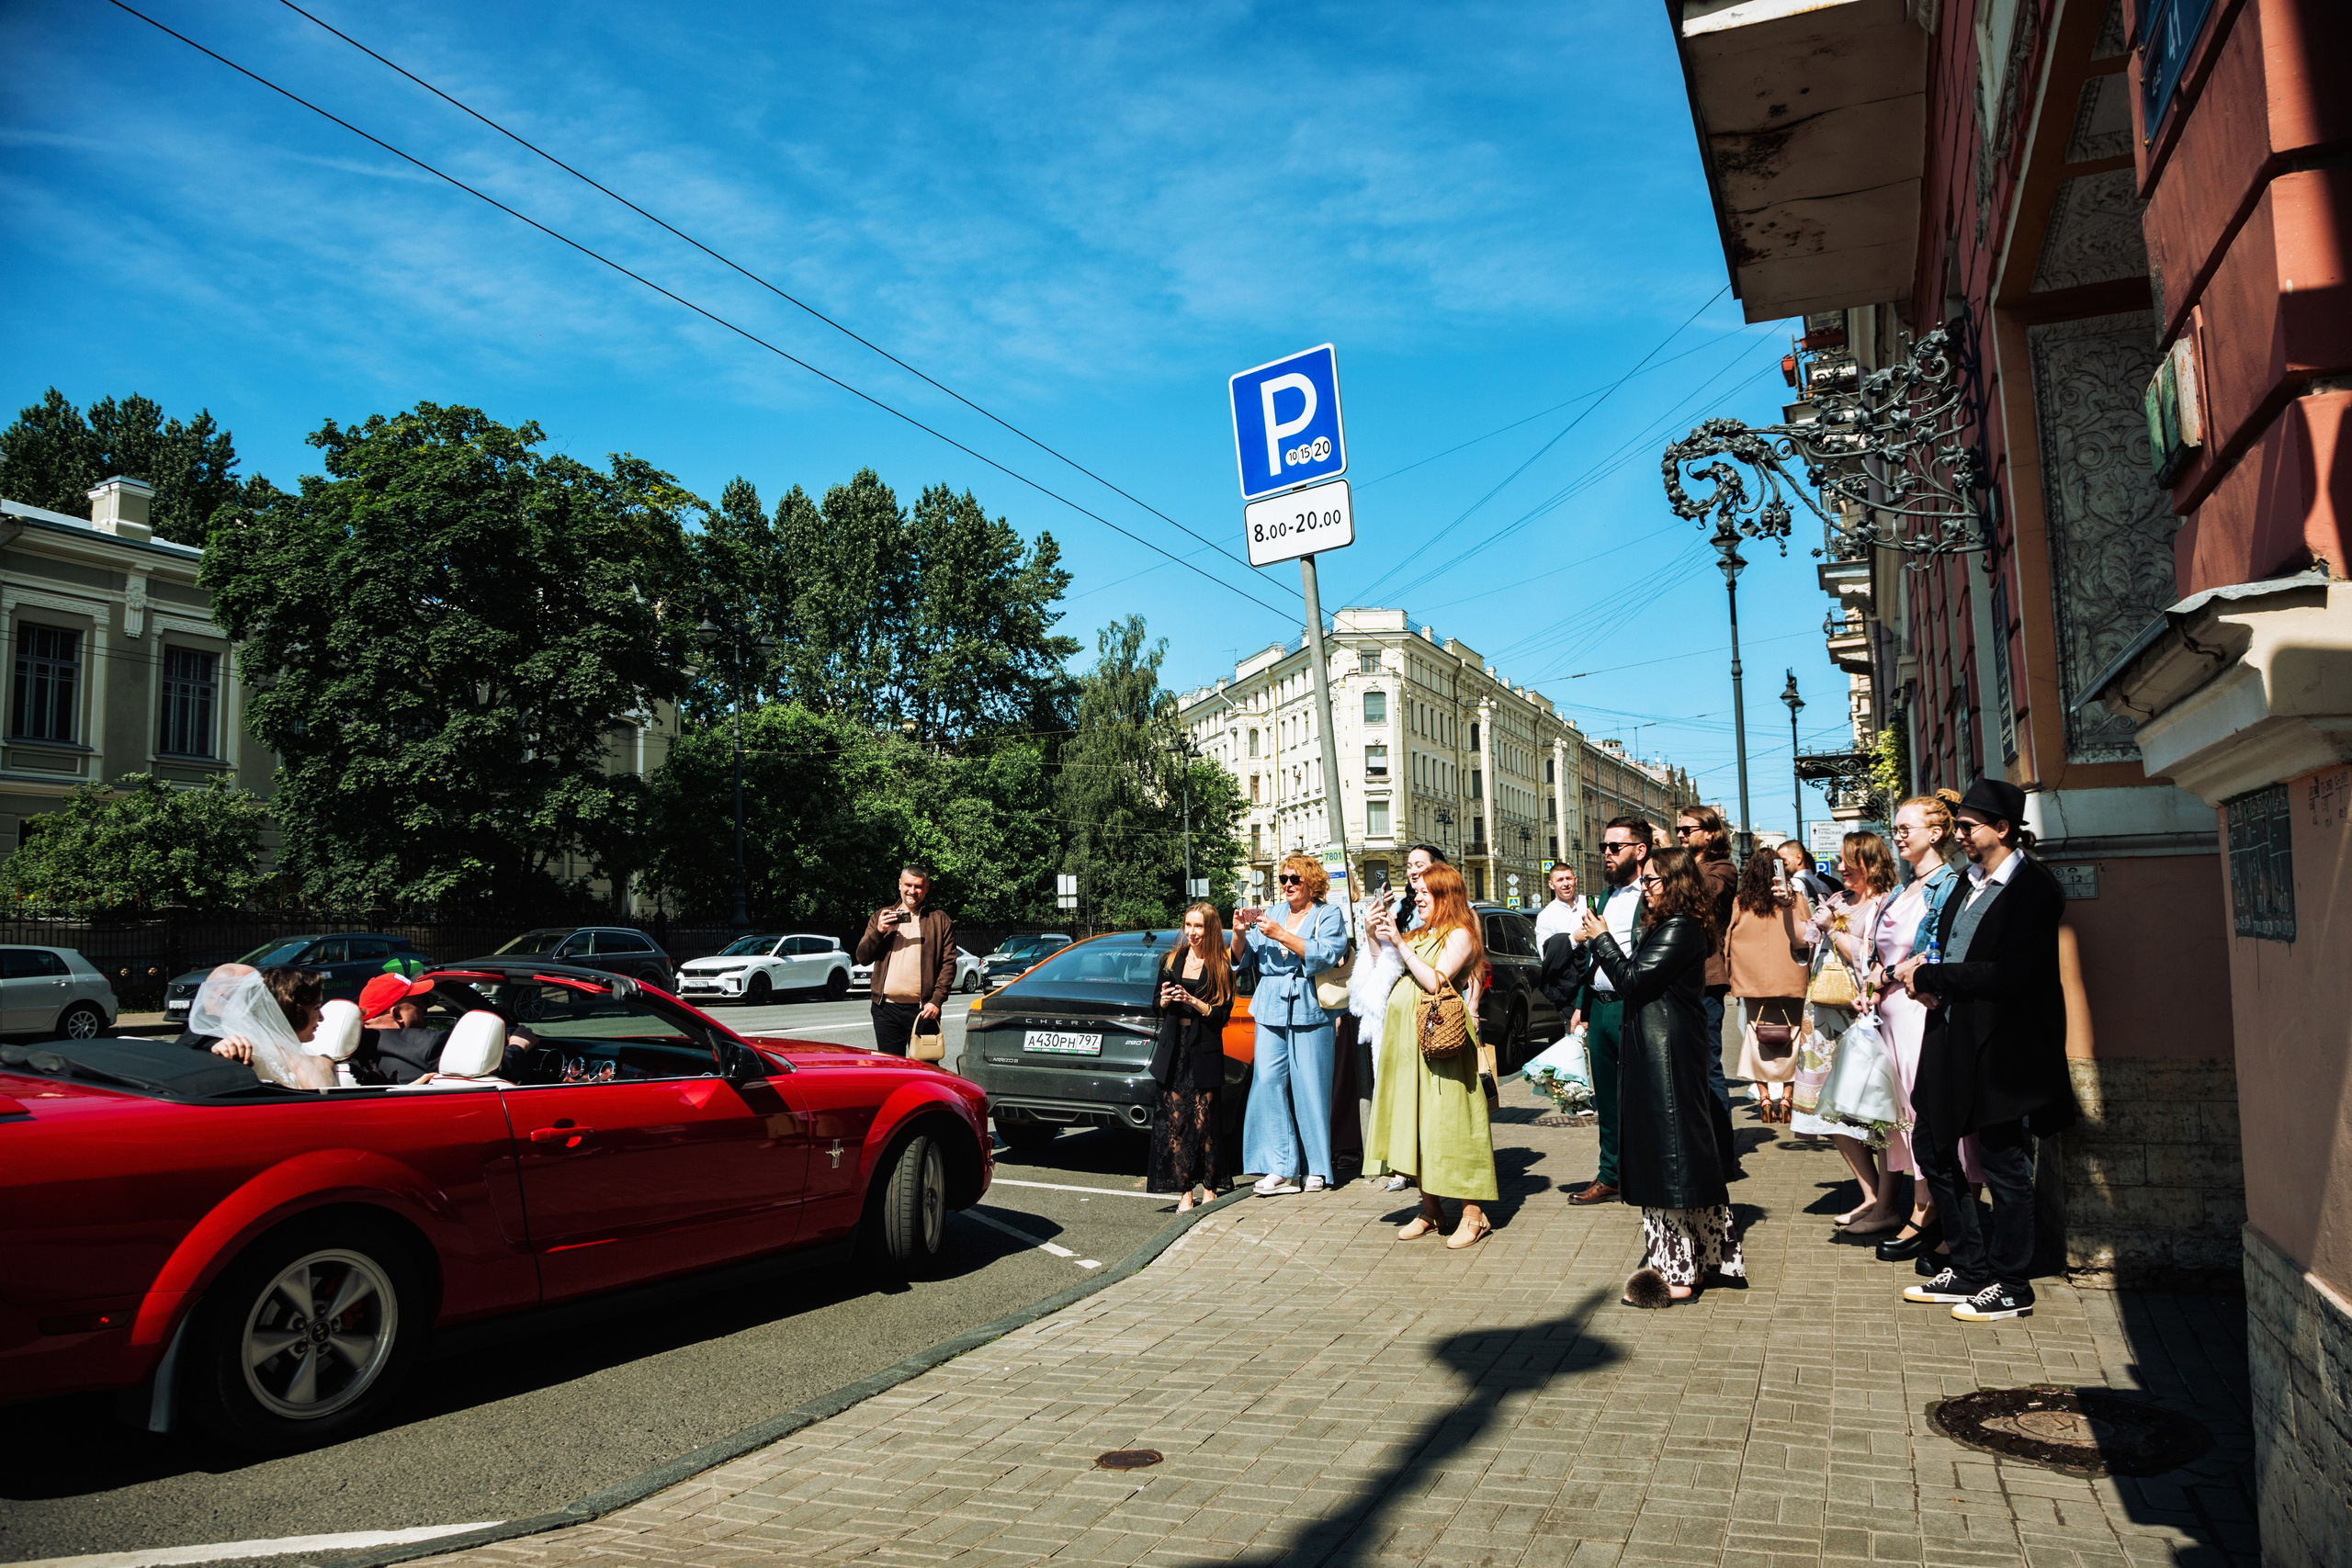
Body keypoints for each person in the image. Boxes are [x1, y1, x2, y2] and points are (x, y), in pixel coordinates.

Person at [1895, 777, 2074, 1323]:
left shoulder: (2034, 888)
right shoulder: (1966, 880)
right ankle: (1971, 1267)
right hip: (1951, 1033)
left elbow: (2013, 972)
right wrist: (1930, 981)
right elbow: (1944, 942)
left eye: (1970, 827)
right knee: (1932, 1143)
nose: (1962, 836)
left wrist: (1937, 974)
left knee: (2002, 1160)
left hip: (2004, 1043)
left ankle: (2012, 1282)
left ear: (2003, 829)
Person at [1579, 847, 1745, 1303]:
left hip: (1665, 1056)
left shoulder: (1679, 927)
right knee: (1680, 1159)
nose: (1646, 889)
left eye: (1653, 881)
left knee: (1667, 1162)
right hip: (1663, 1051)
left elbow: (1632, 979)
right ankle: (1706, 1258)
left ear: (1675, 883)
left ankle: (1677, 1274)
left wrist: (1602, 939)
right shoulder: (1674, 926)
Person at [1864, 791, 1976, 1271]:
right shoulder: (1902, 887)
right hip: (1891, 1013)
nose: (1898, 835)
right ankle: (1925, 1208)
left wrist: (1887, 975)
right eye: (1896, 828)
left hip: (1918, 1011)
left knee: (1924, 1114)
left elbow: (1940, 951)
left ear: (1936, 833)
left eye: (1906, 828)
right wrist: (1872, 975)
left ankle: (1935, 1217)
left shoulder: (1948, 885)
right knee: (1904, 1116)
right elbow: (1882, 947)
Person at [1365, 861, 1497, 1247]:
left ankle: (1473, 1214)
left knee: (1451, 1126)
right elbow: (1380, 963)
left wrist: (1401, 944)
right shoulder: (1423, 931)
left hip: (1443, 1046)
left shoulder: (1460, 934)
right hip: (1409, 1047)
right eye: (1416, 893)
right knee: (1417, 1125)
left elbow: (1436, 981)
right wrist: (1374, 931)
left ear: (1444, 896)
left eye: (1424, 893)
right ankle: (1431, 1210)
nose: (1417, 898)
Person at [1793, 831, 1902, 1229]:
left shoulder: (1886, 904)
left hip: (1863, 1015)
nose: (1839, 868)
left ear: (1871, 863)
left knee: (1878, 1111)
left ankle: (1887, 1205)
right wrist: (1796, 910)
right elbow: (1803, 945)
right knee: (1832, 1109)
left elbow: (1873, 956)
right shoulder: (1839, 899)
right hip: (1825, 1018)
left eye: (1847, 862)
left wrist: (1834, 931)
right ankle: (1870, 1195)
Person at [1230, 852, 1348, 1195]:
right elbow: (1243, 957)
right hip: (1270, 1004)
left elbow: (1327, 953)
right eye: (1283, 879)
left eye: (1295, 879)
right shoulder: (1272, 914)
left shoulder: (1328, 914)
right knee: (1267, 1082)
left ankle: (1317, 1168)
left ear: (1312, 881)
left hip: (1309, 1002)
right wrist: (1239, 933)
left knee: (1311, 1086)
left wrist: (1280, 934)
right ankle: (1280, 1168)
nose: (1288, 885)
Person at [1567, 817, 1652, 1205]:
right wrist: (1582, 1007)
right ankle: (1610, 1174)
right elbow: (1593, 959)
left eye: (1615, 847)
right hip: (1600, 1009)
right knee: (1607, 1098)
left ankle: (1645, 1173)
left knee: (1640, 1095)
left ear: (1640, 850)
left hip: (1632, 1007)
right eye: (1604, 847)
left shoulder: (1650, 896)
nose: (1606, 853)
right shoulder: (1605, 896)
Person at [1148, 902, 1237, 1211]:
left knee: (1205, 1124)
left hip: (1204, 1049)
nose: (1192, 933)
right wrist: (1164, 999)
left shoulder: (1220, 965)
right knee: (1177, 1124)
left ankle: (1209, 1187)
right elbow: (1156, 1008)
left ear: (1210, 928)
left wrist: (1194, 1001)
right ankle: (1185, 1190)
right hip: (1174, 1049)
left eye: (1198, 927)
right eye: (1188, 925)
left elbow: (1222, 1015)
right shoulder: (1171, 959)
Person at [1727, 846, 1812, 1122]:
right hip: (1791, 977)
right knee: (1794, 1036)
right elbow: (1808, 932)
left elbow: (1727, 937)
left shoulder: (1742, 900)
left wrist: (1729, 975)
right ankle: (1788, 1096)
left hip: (1751, 980)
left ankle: (1764, 1097)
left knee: (1756, 1034)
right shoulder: (1794, 898)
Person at [181, 964, 338, 1091]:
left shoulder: (317, 1062)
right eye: (316, 1007)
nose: (322, 1017)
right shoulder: (243, 1052)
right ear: (292, 1010)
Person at [855, 866, 957, 1058]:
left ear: (926, 888)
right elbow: (862, 957)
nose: (912, 891)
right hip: (885, 1009)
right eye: (908, 885)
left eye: (918, 886)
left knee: (927, 1068)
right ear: (900, 884)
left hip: (924, 1010)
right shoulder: (881, 916)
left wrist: (937, 1000)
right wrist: (879, 931)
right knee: (891, 1070)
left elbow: (949, 963)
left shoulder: (939, 919)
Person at [1779, 840, 1837, 907]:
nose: (1782, 866)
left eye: (1784, 861)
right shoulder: (1824, 885)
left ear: (1799, 858)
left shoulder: (1794, 885)